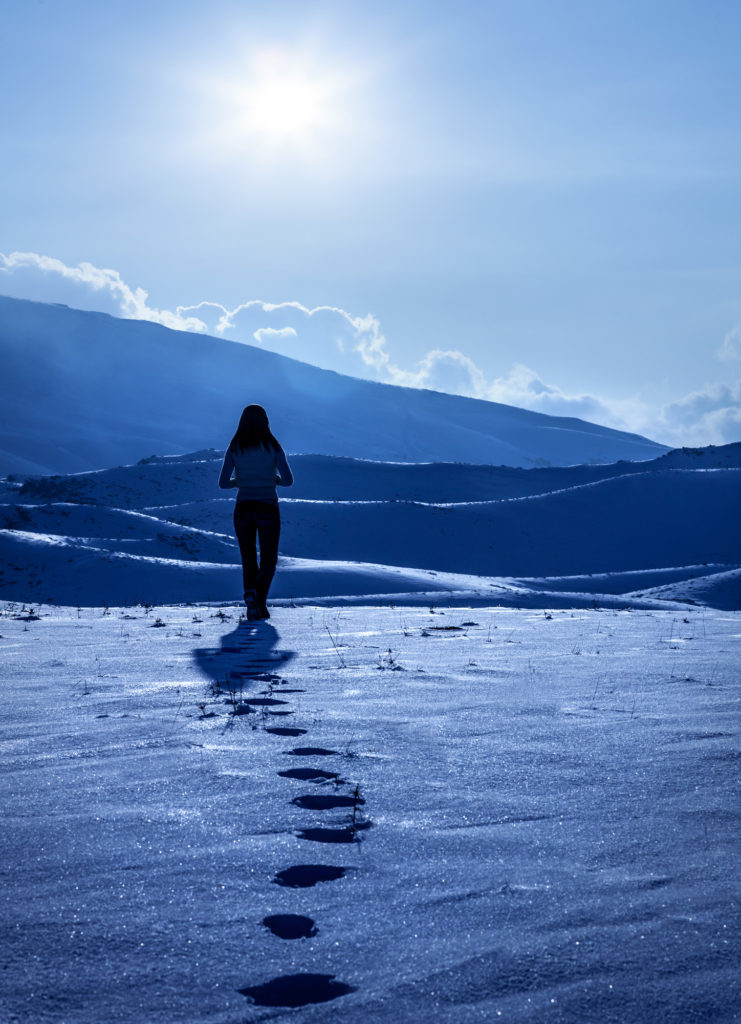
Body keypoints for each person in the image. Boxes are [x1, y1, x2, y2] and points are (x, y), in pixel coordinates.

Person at [218, 405, 293, 619]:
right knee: (268, 560)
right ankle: (258, 598)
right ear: (265, 421)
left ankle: (254, 604)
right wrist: (272, 479)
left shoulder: (235, 447)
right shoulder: (273, 446)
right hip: (268, 506)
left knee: (248, 558)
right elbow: (288, 480)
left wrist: (240, 482)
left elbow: (223, 483)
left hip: (243, 507)